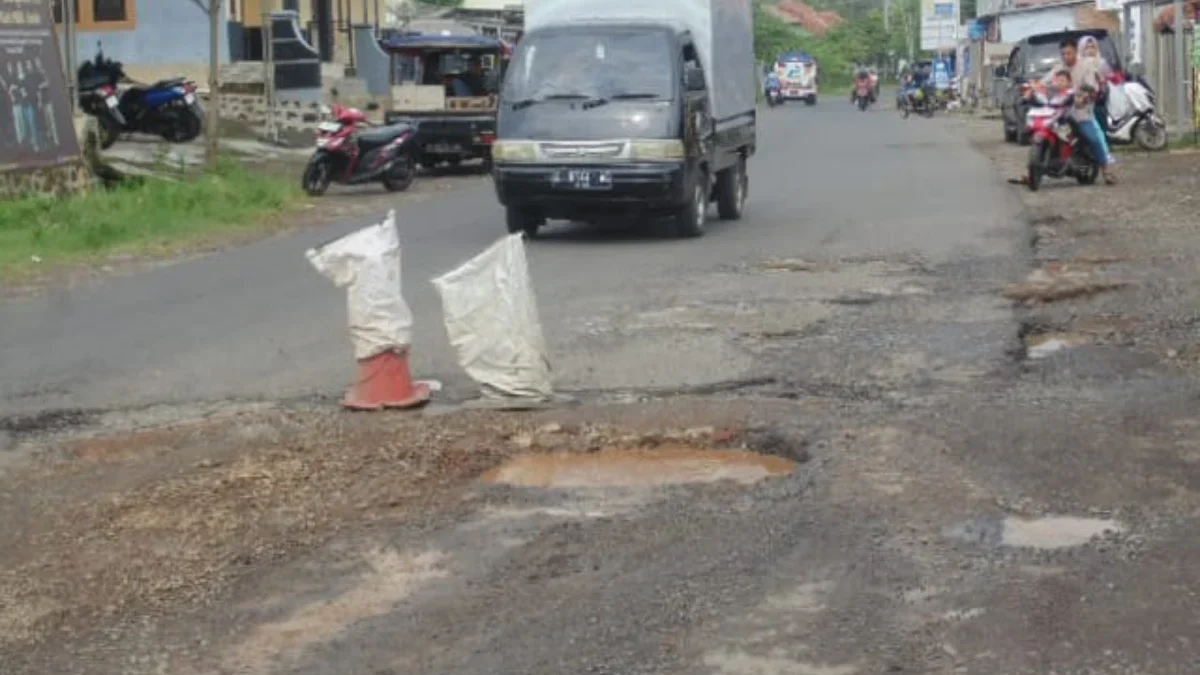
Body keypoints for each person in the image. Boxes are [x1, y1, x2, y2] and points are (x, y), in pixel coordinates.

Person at [1037, 36, 1116, 184]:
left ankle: (1106, 170)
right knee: (1041, 128)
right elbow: (1045, 81)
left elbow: (1092, 88)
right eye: (1064, 54)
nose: (1066, 56)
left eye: (1069, 53)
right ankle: (1034, 171)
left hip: (1080, 112)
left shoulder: (1086, 66)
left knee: (1093, 139)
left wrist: (1084, 98)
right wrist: (1034, 87)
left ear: (1076, 52)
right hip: (1060, 110)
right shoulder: (1059, 67)